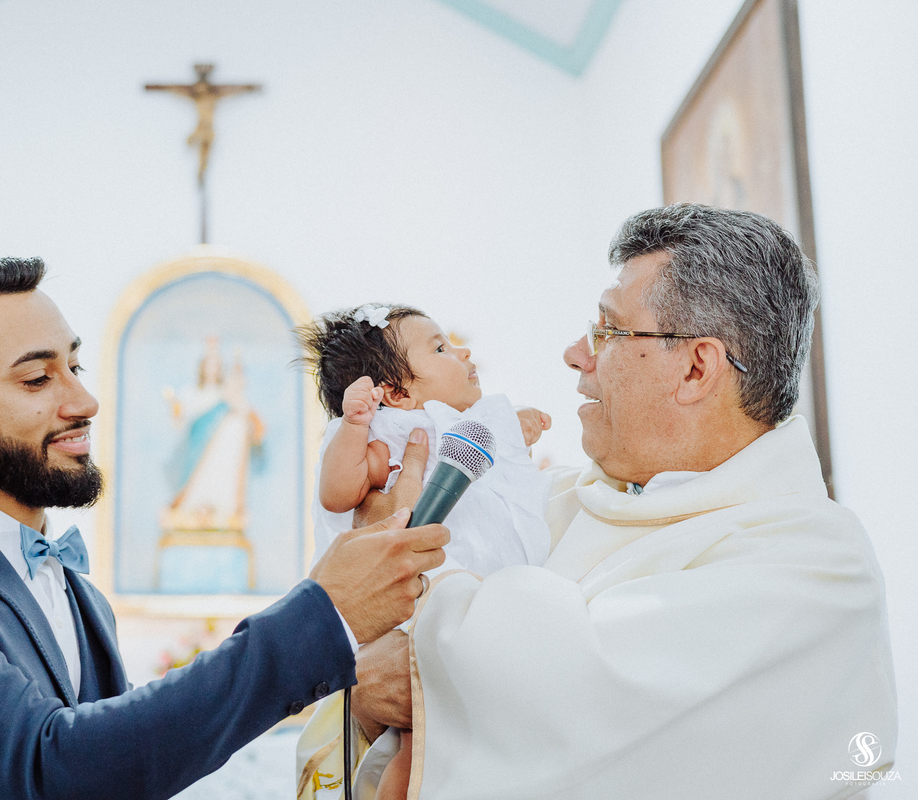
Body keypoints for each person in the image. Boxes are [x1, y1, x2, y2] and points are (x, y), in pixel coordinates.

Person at [0, 257, 450, 800]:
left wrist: (356, 690)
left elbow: (132, 763)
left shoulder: (80, 595)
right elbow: (49, 769)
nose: (83, 402)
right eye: (37, 377)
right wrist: (325, 614)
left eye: (74, 367)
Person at [350, 204, 898, 799]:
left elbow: (583, 705)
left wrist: (409, 562)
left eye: (607, 330)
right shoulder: (556, 500)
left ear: (695, 368)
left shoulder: (816, 569)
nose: (576, 353)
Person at [294, 304, 552, 798]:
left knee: (463, 747)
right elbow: (338, 493)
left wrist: (513, 425)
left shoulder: (467, 423)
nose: (463, 352)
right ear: (394, 393)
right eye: (440, 348)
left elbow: (492, 458)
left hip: (481, 607)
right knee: (417, 746)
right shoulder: (380, 435)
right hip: (411, 611)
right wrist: (352, 426)